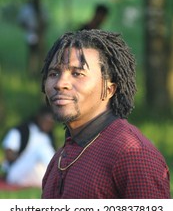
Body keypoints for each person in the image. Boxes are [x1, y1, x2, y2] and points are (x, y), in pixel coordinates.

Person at [41, 29, 170, 199]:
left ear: (109, 89)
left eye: (77, 74)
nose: (60, 83)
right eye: (54, 73)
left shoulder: (133, 154)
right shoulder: (61, 156)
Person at [1, 105, 56, 187]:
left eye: (51, 122)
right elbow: (9, 153)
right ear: (39, 117)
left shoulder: (48, 136)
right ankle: (58, 172)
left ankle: (59, 175)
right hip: (16, 172)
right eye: (46, 120)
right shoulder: (22, 130)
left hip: (37, 173)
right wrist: (24, 158)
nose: (48, 124)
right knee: (42, 149)